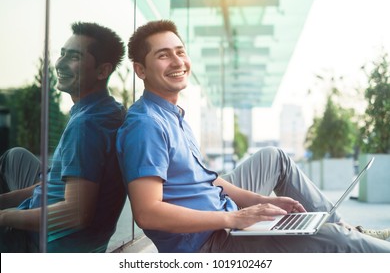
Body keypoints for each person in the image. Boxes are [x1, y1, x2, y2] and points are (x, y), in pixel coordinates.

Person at [116, 20, 390, 253]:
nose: (177, 61)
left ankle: (351, 230)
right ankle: (351, 239)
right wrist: (235, 217)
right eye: (163, 55)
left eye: (180, 51)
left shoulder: (173, 114)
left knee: (274, 158)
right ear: (140, 70)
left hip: (220, 211)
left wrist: (264, 201)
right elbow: (147, 212)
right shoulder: (147, 125)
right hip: (207, 243)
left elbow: (208, 180)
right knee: (335, 241)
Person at [0, 22, 126, 253]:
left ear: (102, 71)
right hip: (80, 236)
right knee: (15, 157)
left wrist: (6, 217)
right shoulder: (109, 110)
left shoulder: (86, 125)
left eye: (74, 57)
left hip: (44, 243)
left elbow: (76, 214)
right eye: (62, 54)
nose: (60, 63)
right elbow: (59, 187)